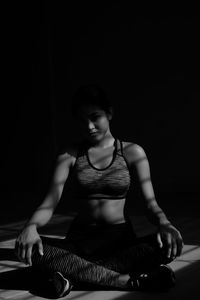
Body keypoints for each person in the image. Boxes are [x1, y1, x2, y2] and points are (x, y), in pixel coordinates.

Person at [15, 84, 184, 298]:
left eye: (95, 117)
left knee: (166, 246)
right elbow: (49, 203)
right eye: (82, 120)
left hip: (120, 241)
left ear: (110, 113)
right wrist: (30, 227)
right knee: (33, 248)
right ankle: (123, 280)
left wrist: (164, 223)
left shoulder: (133, 152)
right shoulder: (70, 154)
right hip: (80, 241)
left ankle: (70, 276)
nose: (89, 126)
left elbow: (150, 204)